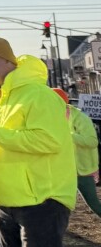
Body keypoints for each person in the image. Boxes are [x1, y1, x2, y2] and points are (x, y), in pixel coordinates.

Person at [0, 37, 75, 246]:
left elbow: (49, 141)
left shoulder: (39, 95)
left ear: (7, 60)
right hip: (6, 201)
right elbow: (0, 148)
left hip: (42, 201)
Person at [53, 88, 101, 216]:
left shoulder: (81, 118)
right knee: (54, 205)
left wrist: (68, 136)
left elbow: (92, 142)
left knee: (94, 205)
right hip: (61, 170)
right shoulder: (49, 117)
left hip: (82, 170)